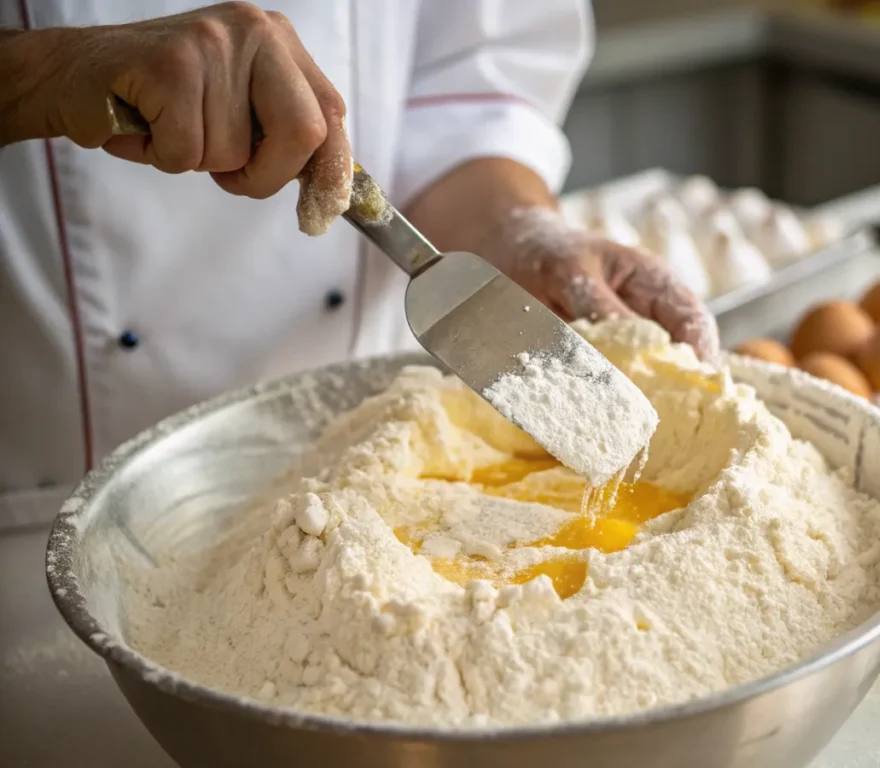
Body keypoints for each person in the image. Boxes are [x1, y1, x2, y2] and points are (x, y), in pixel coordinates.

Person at [0, 1, 718, 528]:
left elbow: (465, 91)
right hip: (34, 509)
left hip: (374, 483)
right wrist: (42, 73)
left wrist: (517, 229)